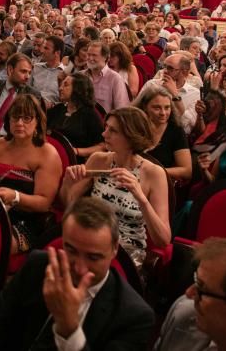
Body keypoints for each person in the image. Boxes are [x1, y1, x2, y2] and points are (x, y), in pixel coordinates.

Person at [0, 197, 155, 350]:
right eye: (71, 250)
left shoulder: (134, 316)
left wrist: (69, 328)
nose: (80, 268)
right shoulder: (37, 266)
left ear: (114, 250)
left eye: (93, 257)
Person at [61, 107, 171, 268]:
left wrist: (140, 197)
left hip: (126, 254)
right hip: (91, 240)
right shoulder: (98, 159)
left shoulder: (154, 174)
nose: (104, 134)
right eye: (106, 128)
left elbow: (163, 240)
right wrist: (68, 183)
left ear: (131, 136)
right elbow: (69, 205)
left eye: (112, 130)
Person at [0, 94, 62, 254]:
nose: (19, 123)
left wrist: (15, 196)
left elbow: (44, 203)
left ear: (37, 121)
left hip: (27, 219)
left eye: (27, 118)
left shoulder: (47, 154)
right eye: (15, 117)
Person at [136, 87, 193, 182]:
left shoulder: (176, 130)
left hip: (161, 183)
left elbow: (186, 171)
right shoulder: (133, 126)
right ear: (145, 107)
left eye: (167, 107)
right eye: (157, 108)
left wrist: (153, 171)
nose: (163, 113)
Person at [47, 72, 105, 158]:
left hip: (76, 161)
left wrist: (76, 151)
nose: (60, 88)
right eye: (61, 85)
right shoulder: (57, 109)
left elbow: (102, 146)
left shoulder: (90, 115)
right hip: (51, 155)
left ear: (78, 89)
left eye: (65, 85)